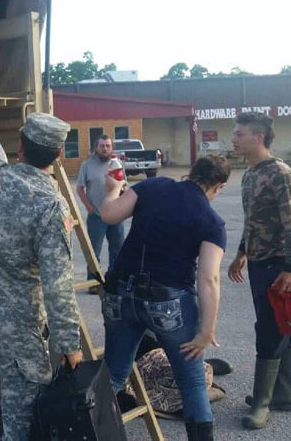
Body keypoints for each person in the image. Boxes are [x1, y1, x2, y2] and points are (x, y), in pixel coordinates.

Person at [0, 76, 83, 440]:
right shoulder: (50, 206)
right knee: (22, 426)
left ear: (19, 147)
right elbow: (57, 286)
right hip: (20, 333)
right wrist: (69, 347)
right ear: (58, 156)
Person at [98, 155, 231, 441]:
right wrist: (206, 331)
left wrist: (111, 191)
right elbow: (208, 279)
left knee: (114, 373)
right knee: (192, 381)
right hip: (168, 303)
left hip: (120, 294)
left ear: (191, 172)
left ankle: (89, 429)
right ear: (218, 187)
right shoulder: (211, 221)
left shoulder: (152, 187)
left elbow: (109, 215)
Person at [226, 112, 291, 430]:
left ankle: (262, 402)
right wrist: (241, 252)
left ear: (258, 138)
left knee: (270, 329)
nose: (234, 138)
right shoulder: (249, 173)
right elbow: (253, 220)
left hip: (278, 265)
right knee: (276, 324)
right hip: (258, 262)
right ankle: (283, 395)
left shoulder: (279, 173)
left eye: (239, 133)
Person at [76, 135, 126, 272]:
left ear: (112, 148)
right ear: (96, 148)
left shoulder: (117, 164)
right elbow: (79, 188)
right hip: (97, 216)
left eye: (108, 146)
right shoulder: (87, 165)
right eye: (102, 146)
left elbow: (123, 186)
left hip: (115, 215)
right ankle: (94, 282)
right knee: (93, 252)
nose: (105, 149)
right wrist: (89, 207)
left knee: (117, 251)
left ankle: (113, 280)